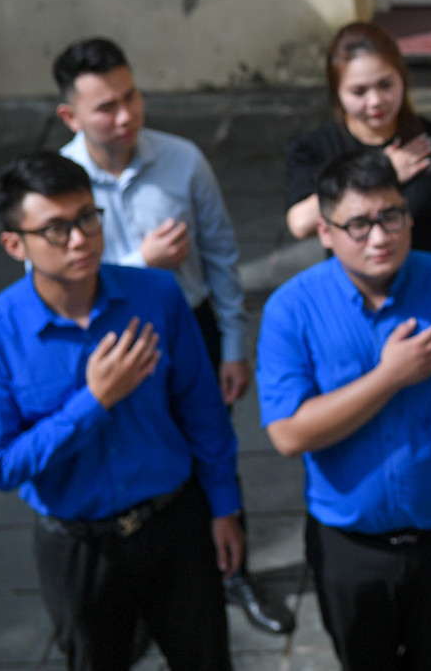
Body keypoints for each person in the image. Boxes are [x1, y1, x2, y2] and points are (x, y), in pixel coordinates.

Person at [0, 152, 242, 671]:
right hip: (78, 545)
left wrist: (225, 506)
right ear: (14, 244)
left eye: (88, 218)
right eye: (56, 229)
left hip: (174, 524)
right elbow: (1, 464)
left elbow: (202, 409)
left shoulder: (156, 294)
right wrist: (94, 402)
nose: (80, 239)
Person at [51, 38, 294, 635]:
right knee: (128, 458)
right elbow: (47, 283)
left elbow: (221, 255)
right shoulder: (58, 184)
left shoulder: (183, 159)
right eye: (106, 107)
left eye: (131, 96)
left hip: (191, 327)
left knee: (213, 446)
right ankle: (138, 593)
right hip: (102, 347)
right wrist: (140, 263)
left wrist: (234, 345)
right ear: (71, 117)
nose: (126, 115)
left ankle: (231, 569)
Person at [256, 150, 431, 671]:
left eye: (390, 217)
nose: (379, 238)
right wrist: (389, 377)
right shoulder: (291, 310)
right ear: (325, 232)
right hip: (349, 544)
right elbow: (288, 434)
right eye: (358, 224)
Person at [285, 21, 431, 268]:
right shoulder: (315, 148)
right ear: (337, 93)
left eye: (385, 85)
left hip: (427, 285)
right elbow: (300, 223)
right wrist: (382, 170)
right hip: (353, 294)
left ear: (403, 78)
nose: (376, 101)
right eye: (359, 92)